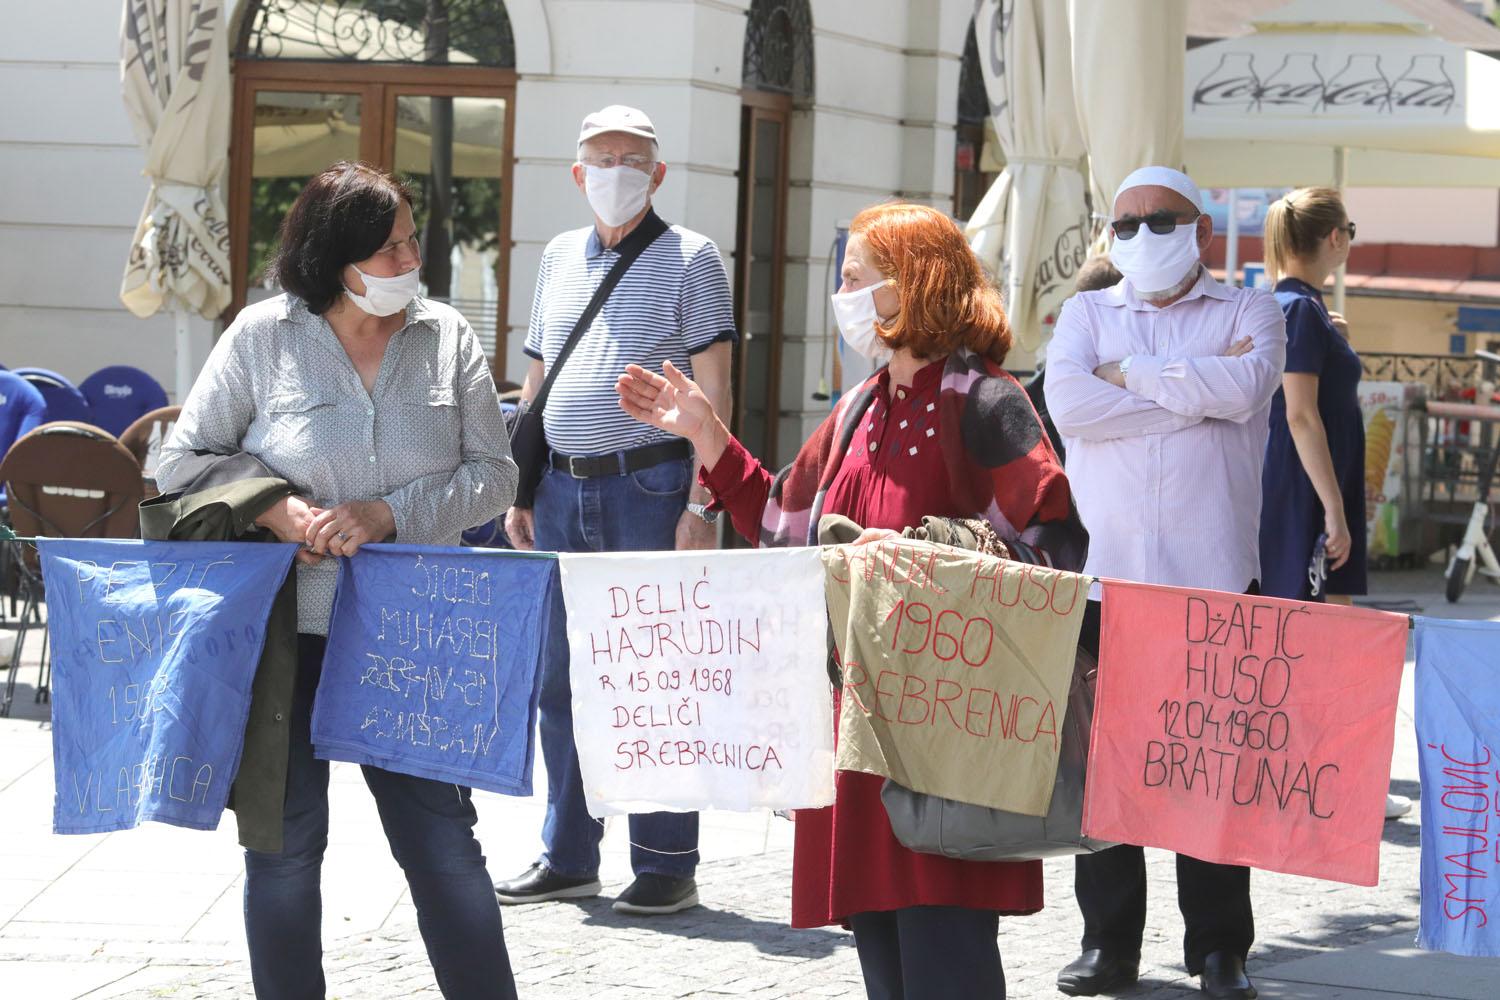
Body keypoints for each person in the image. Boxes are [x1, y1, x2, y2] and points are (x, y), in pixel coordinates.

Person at [617, 201, 1088, 1000]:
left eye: (854, 278)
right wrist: (707, 436)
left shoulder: (984, 398)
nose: (842, 294)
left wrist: (918, 554)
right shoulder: (862, 405)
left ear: (914, 286)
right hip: (856, 726)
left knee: (947, 955)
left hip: (949, 728)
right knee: (882, 952)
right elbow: (780, 522)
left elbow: (1058, 546)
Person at [156, 162, 519, 1000]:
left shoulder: (447, 336)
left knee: (444, 848)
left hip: (416, 634)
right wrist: (277, 507)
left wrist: (390, 512)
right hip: (288, 636)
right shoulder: (262, 334)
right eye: (388, 249)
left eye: (410, 242)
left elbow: (496, 476)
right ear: (335, 257)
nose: (408, 261)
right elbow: (180, 462)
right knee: (283, 854)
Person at [1045, 166, 1288, 1000]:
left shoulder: (1251, 310)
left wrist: (1130, 377)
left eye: (1161, 219)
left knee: (1214, 774)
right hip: (1112, 583)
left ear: (1201, 230)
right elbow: (1070, 405)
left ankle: (1220, 948)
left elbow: (1250, 385)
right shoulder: (1085, 313)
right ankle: (1107, 943)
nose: (1142, 234)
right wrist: (1192, 392)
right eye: (1127, 223)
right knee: (1109, 771)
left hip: (1215, 582)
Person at [493, 105, 736, 916]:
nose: (617, 171)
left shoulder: (693, 257)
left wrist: (704, 499)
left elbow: (715, 383)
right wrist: (520, 486)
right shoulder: (558, 256)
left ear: (659, 174)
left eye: (634, 159)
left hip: (650, 486)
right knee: (559, 680)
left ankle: (666, 860)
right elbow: (536, 382)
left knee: (656, 678)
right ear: (577, 172)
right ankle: (568, 852)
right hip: (560, 487)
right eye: (602, 158)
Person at [1258, 187, 1413, 822]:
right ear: (1334, 238)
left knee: (1326, 642)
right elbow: (1299, 414)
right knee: (1319, 644)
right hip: (1308, 495)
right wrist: (1334, 511)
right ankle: (1332, 783)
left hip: (1318, 491)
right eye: (1346, 228)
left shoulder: (1304, 310)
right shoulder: (1295, 310)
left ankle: (1334, 779)